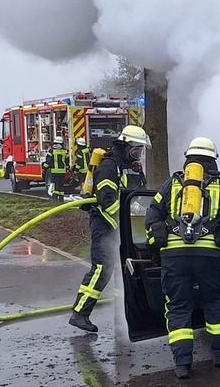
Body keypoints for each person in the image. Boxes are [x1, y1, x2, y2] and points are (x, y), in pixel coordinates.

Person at [145, 137, 220, 380]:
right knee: (215, 303)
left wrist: (158, 245)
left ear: (188, 159)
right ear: (212, 161)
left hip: (174, 257)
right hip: (210, 258)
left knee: (178, 307)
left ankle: (182, 365)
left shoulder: (170, 186)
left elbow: (151, 220)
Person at [68, 125, 151, 333]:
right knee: (102, 268)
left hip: (125, 225)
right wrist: (122, 223)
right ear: (124, 146)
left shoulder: (134, 168)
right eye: (135, 150)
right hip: (105, 224)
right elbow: (107, 200)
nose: (138, 155)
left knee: (123, 271)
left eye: (140, 151)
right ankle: (79, 314)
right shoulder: (108, 166)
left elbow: (139, 196)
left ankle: (121, 313)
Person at [43, 136, 69, 201]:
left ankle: (55, 199)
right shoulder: (65, 151)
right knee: (61, 185)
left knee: (55, 185)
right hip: (62, 171)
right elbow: (67, 161)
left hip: (55, 171)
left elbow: (48, 161)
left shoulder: (51, 151)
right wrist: (67, 168)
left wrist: (44, 168)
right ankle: (61, 199)